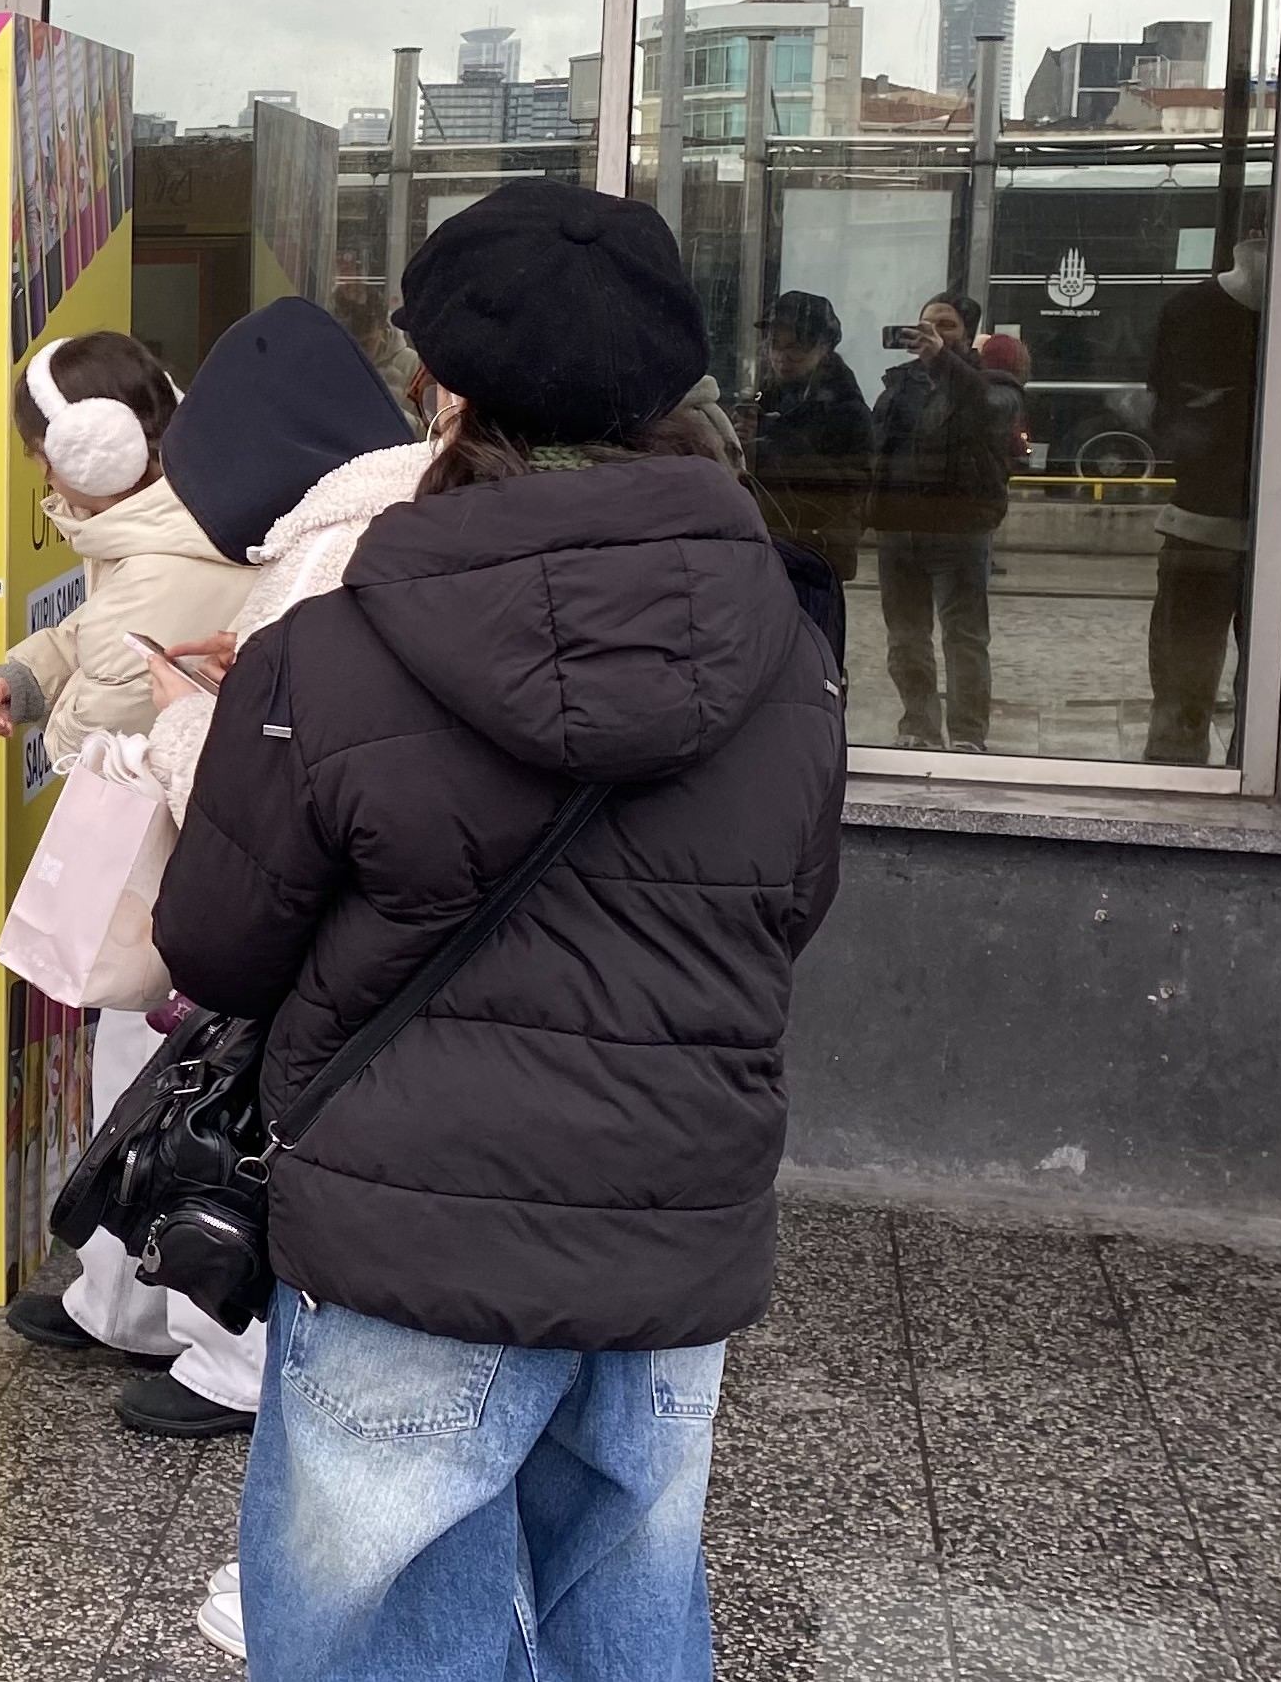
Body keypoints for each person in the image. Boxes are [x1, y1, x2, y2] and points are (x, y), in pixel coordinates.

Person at [152, 176, 844, 1681]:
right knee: (630, 1603)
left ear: (443, 391)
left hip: (409, 1233)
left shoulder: (323, 653)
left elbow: (212, 949)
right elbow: (787, 913)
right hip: (675, 1224)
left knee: (383, 1630)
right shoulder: (790, 654)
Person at [0, 302, 417, 1451]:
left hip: (228, 868)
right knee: (148, 1073)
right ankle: (129, 1301)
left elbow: (229, 736)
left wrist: (151, 720)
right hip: (231, 865)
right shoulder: (303, 536)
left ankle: (224, 1346)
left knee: (197, 1093)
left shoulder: (314, 553)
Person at [0, 332, 252, 774]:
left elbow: (84, 749)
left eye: (42, 456)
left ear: (89, 456)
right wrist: (24, 678)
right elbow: (102, 633)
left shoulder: (155, 574)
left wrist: (55, 724)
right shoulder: (175, 522)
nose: (46, 478)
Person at [867, 290, 1018, 750]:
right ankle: (918, 726)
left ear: (969, 335)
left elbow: (990, 413)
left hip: (959, 527)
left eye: (946, 325)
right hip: (899, 527)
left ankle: (969, 736)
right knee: (906, 639)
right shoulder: (899, 382)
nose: (932, 333)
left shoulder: (992, 381)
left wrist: (941, 364)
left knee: (965, 638)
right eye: (925, 324)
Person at [1144, 232, 1265, 763]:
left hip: (1198, 524)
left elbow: (1163, 412)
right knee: (1276, 696)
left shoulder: (1187, 310)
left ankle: (1175, 778)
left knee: (1182, 685)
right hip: (1277, 527)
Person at [747, 290, 874, 581]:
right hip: (770, 544)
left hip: (818, 556)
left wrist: (773, 437)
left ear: (824, 347)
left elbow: (847, 493)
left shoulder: (846, 408)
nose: (782, 356)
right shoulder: (766, 396)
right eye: (775, 345)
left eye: (797, 347)